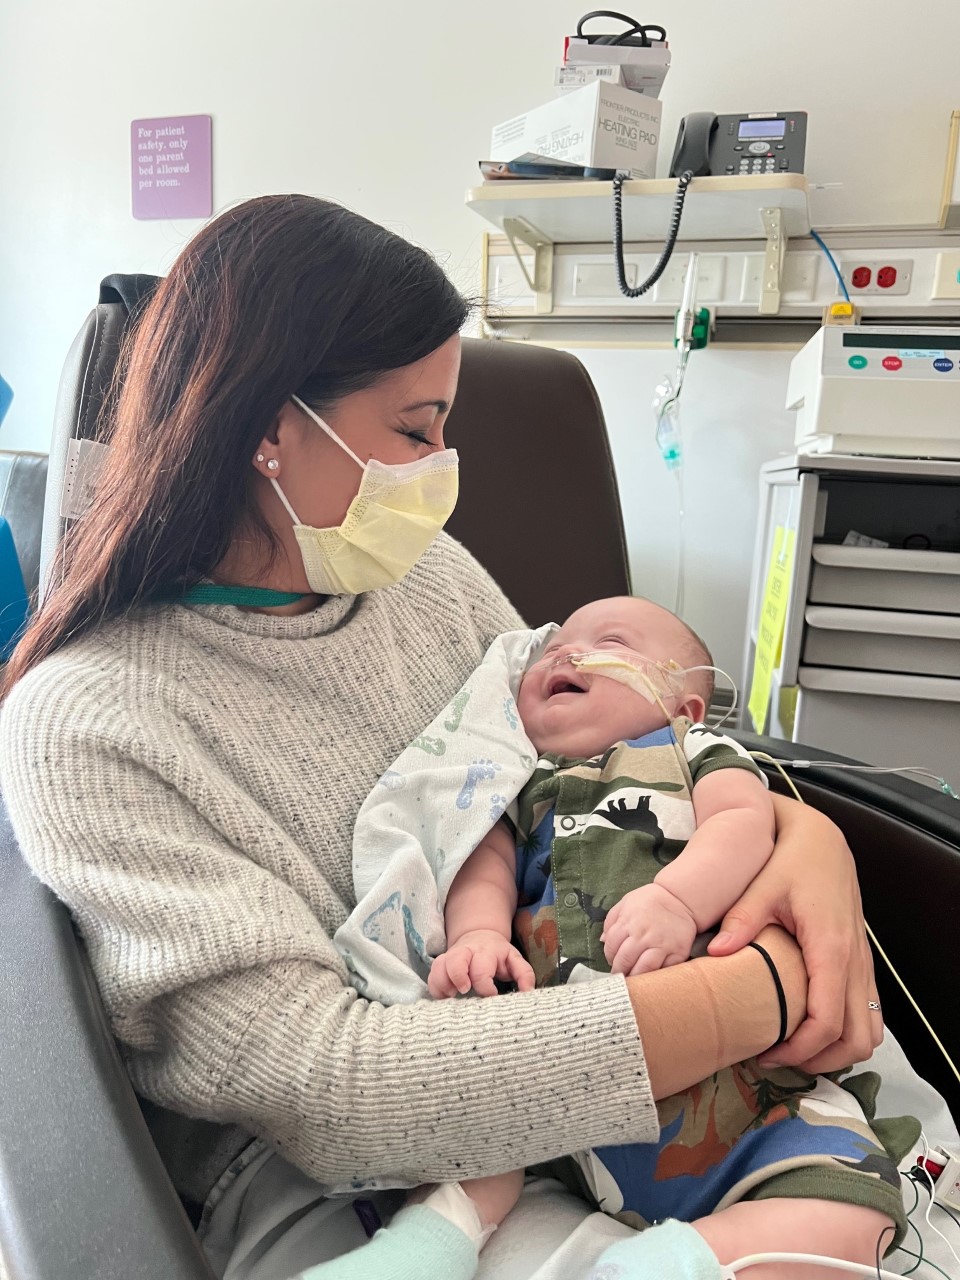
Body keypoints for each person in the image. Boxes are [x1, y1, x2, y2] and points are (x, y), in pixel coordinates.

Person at [0, 194, 885, 1280]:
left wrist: (800, 837)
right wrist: (762, 992)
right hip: (362, 1181)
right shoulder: (89, 722)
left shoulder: (426, 580)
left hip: (586, 1099)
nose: (441, 468)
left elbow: (572, 770)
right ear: (270, 428)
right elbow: (335, 1090)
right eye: (417, 429)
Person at [426, 596, 916, 1280]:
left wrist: (677, 902)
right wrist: (476, 935)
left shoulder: (694, 751)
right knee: (471, 1154)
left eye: (611, 641)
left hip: (747, 1096)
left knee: (852, 1206)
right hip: (566, 1103)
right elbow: (482, 867)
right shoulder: (516, 785)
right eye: (553, 646)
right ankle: (425, 1245)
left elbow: (743, 825)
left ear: (681, 704)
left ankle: (674, 1263)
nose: (565, 652)